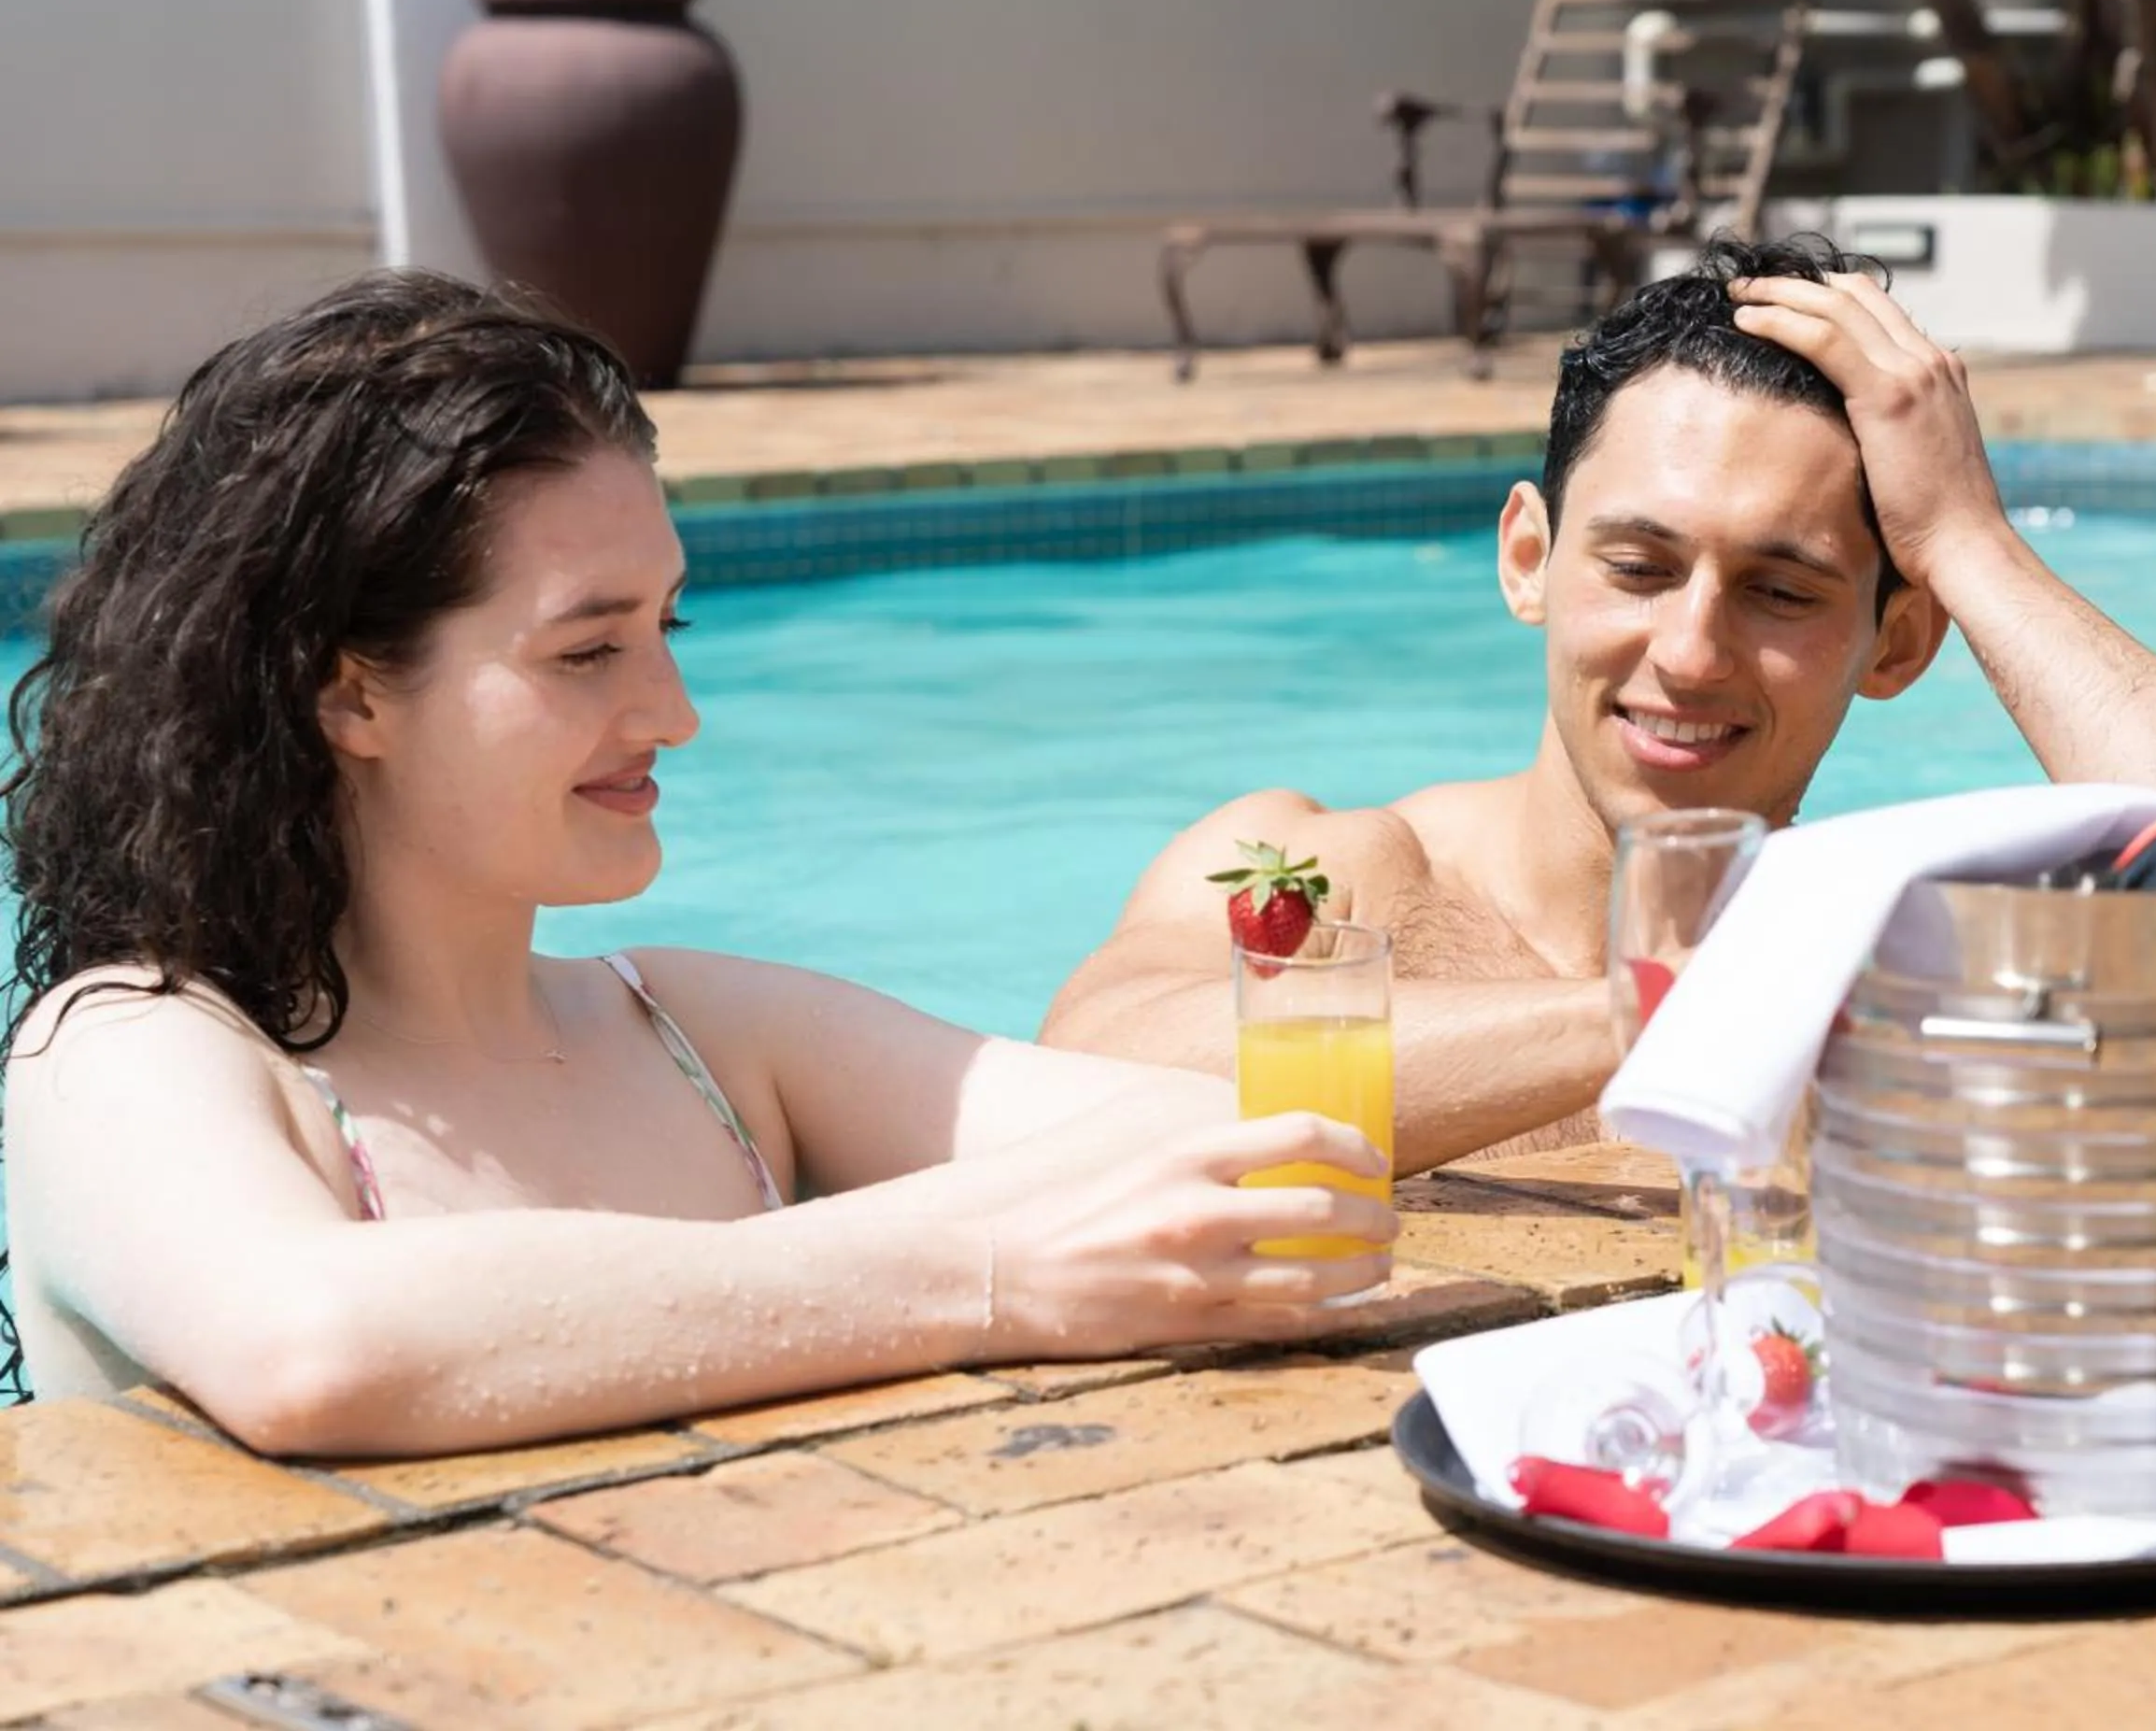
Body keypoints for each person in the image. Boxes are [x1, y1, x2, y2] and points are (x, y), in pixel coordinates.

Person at [0, 272, 1395, 1457]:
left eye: (670, 626)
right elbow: (316, 1344)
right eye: (588, 649)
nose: (673, 713)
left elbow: (1221, 1149)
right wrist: (985, 1278)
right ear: (349, 692)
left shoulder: (702, 1035)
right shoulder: (129, 1048)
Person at [1043, 236, 2156, 1159]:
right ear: (1529, 559)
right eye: (1637, 566)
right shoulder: (1335, 873)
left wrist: (1973, 550)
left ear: (1897, 644)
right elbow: (1088, 1074)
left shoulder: (1893, 925)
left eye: (1782, 591)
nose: (1691, 653)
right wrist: (1670, 1009)